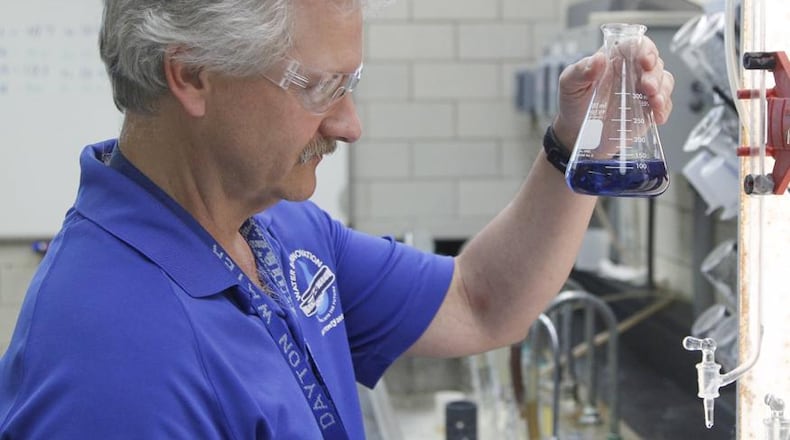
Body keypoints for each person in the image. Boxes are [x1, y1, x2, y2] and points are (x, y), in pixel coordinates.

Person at [0, 0, 674, 438]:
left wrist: (578, 146)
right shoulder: (109, 359)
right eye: (320, 88)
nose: (350, 125)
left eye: (349, 85)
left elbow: (481, 302)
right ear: (194, 75)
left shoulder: (276, 228)